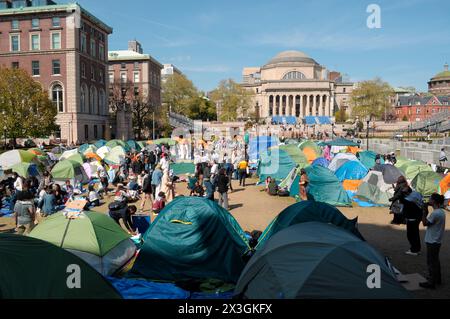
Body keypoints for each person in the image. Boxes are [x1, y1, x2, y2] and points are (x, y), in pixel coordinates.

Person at [420, 193, 446, 289]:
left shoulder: (435, 213)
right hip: (437, 240)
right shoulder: (441, 212)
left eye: (430, 199)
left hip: (432, 240)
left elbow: (425, 223)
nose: (429, 201)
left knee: (431, 262)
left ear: (434, 201)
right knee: (435, 261)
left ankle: (431, 282)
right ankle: (437, 278)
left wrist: (424, 212)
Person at [403, 187, 424, 256]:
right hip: (418, 216)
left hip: (412, 218)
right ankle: (417, 249)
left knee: (411, 234)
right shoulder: (416, 193)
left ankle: (414, 250)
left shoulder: (408, 199)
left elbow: (405, 209)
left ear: (407, 193)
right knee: (415, 233)